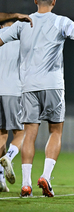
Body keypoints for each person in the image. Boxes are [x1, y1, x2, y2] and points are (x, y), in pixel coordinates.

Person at [0, 0, 74, 197]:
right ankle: (45, 176)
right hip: (53, 85)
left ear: (35, 0)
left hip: (28, 87)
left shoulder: (22, 23)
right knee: (55, 131)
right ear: (54, 1)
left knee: (29, 135)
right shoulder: (61, 21)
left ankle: (26, 184)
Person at [0, 18, 24, 192]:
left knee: (1, 135)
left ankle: (0, 178)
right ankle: (8, 157)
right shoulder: (19, 39)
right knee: (22, 133)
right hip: (13, 90)